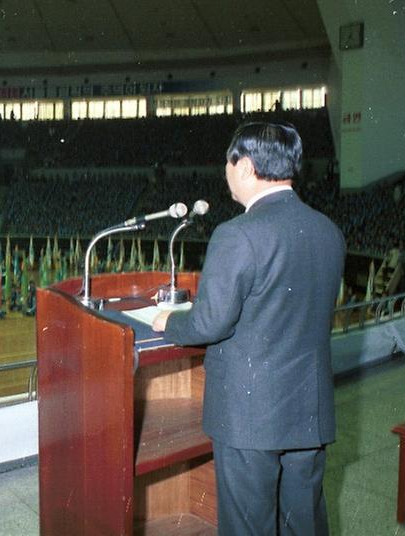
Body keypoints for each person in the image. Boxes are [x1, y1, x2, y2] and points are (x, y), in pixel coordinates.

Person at [152, 122, 345, 536]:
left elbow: (209, 322)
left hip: (251, 414)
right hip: (308, 410)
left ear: (245, 166)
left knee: (248, 528)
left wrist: (169, 321)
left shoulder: (238, 234)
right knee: (304, 524)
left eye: (228, 162)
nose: (226, 172)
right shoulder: (328, 231)